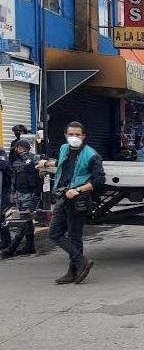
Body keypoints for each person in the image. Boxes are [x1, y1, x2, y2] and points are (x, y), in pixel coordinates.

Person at [37, 122, 105, 285]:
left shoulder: (91, 155)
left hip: (78, 199)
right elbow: (61, 163)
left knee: (74, 237)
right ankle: (80, 262)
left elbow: (99, 180)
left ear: (84, 136)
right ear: (66, 135)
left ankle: (74, 271)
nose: (74, 137)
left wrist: (79, 190)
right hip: (62, 196)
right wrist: (45, 164)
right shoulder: (64, 149)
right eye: (71, 134)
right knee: (54, 233)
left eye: (77, 134)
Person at [1, 141, 43, 258]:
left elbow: (45, 163)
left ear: (19, 148)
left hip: (31, 194)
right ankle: (30, 246)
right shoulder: (16, 162)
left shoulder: (35, 159)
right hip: (20, 194)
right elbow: (14, 180)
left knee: (22, 220)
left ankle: (12, 248)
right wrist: (13, 194)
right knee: (27, 221)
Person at [0, 148, 13, 253]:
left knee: (2, 214)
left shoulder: (1, 153)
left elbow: (3, 166)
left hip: (4, 189)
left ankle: (6, 241)